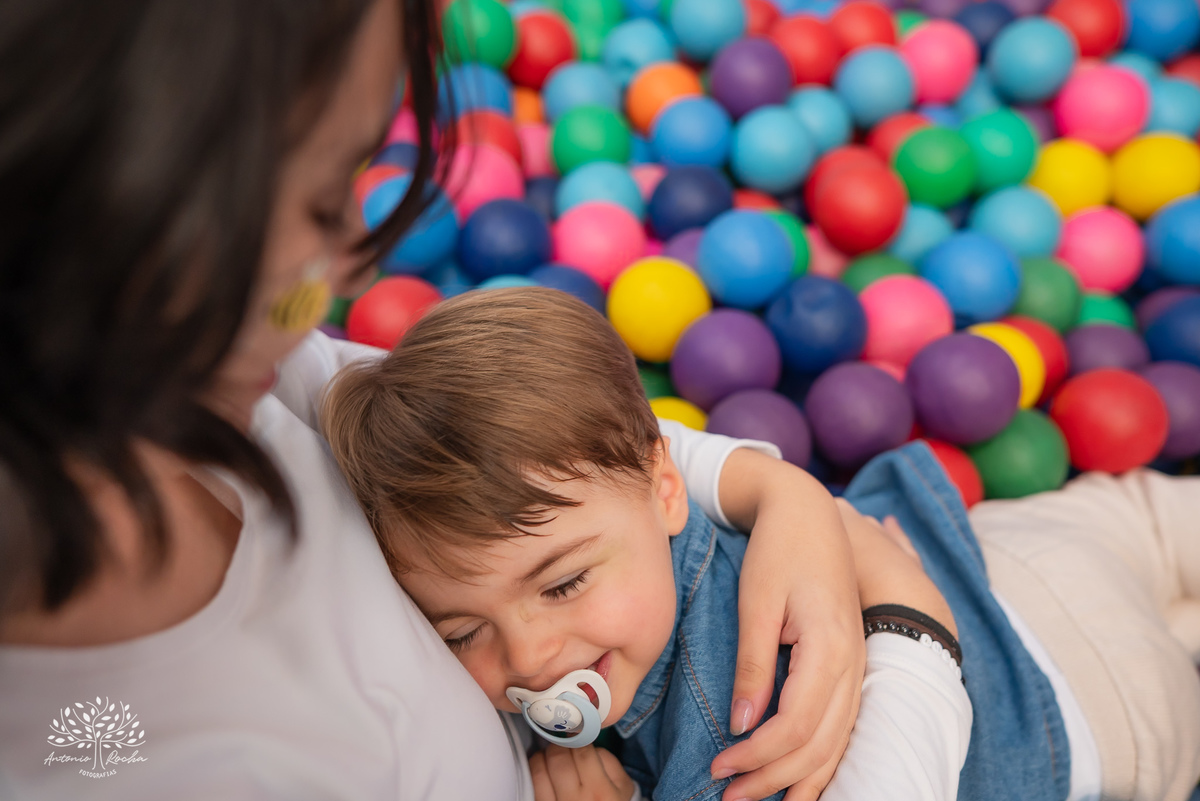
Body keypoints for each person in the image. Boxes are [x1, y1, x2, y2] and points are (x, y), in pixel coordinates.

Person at [0, 1, 875, 799]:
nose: (354, 265)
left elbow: (547, 444)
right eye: (317, 200)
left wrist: (779, 497)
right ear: (117, 227)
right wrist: (917, 651)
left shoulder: (261, 373)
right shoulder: (98, 757)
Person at [323, 286, 1200, 801]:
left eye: (562, 585)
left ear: (665, 487)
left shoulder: (728, 745)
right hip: (986, 542)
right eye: (461, 632)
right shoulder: (624, 500)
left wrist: (901, 604)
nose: (531, 656)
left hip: (1092, 698)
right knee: (1163, 523)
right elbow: (615, 448)